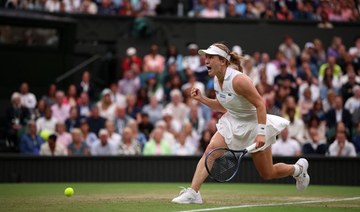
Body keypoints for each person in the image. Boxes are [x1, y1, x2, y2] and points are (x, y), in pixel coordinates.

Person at [172, 43, 309, 204]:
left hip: (255, 124)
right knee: (211, 149)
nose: (206, 60)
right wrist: (202, 99)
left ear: (222, 61)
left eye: (210, 57)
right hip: (233, 121)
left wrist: (261, 132)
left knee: (267, 173)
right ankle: (193, 192)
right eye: (205, 57)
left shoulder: (239, 80)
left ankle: (298, 170)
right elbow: (224, 106)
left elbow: (260, 104)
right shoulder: (217, 80)